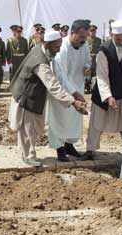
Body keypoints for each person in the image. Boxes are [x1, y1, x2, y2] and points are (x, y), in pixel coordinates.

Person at [9, 31, 87, 167]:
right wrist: (72, 102)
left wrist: (74, 93)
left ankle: (28, 154)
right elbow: (53, 85)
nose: (58, 50)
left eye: (59, 46)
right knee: (27, 130)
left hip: (33, 97)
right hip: (26, 98)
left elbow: (60, 76)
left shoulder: (44, 52)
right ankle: (28, 157)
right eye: (56, 47)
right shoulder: (41, 62)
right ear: (47, 45)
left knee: (31, 129)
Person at [85, 20, 122, 160]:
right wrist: (108, 96)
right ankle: (90, 150)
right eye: (118, 38)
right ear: (112, 35)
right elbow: (101, 76)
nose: (121, 41)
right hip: (104, 92)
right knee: (96, 123)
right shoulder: (104, 50)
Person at [47, 20, 92, 162]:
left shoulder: (84, 45)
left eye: (85, 38)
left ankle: (69, 145)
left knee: (75, 120)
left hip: (77, 87)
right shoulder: (63, 47)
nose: (83, 41)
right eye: (80, 38)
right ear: (72, 33)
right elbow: (61, 75)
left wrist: (87, 67)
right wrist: (73, 93)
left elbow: (88, 60)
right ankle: (59, 149)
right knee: (58, 119)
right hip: (62, 91)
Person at [86, 24, 101, 93]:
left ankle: (94, 89)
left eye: (94, 31)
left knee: (95, 75)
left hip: (95, 60)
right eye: (91, 31)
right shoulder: (86, 39)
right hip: (88, 60)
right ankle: (87, 88)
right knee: (88, 75)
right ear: (89, 31)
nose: (92, 32)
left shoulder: (99, 40)